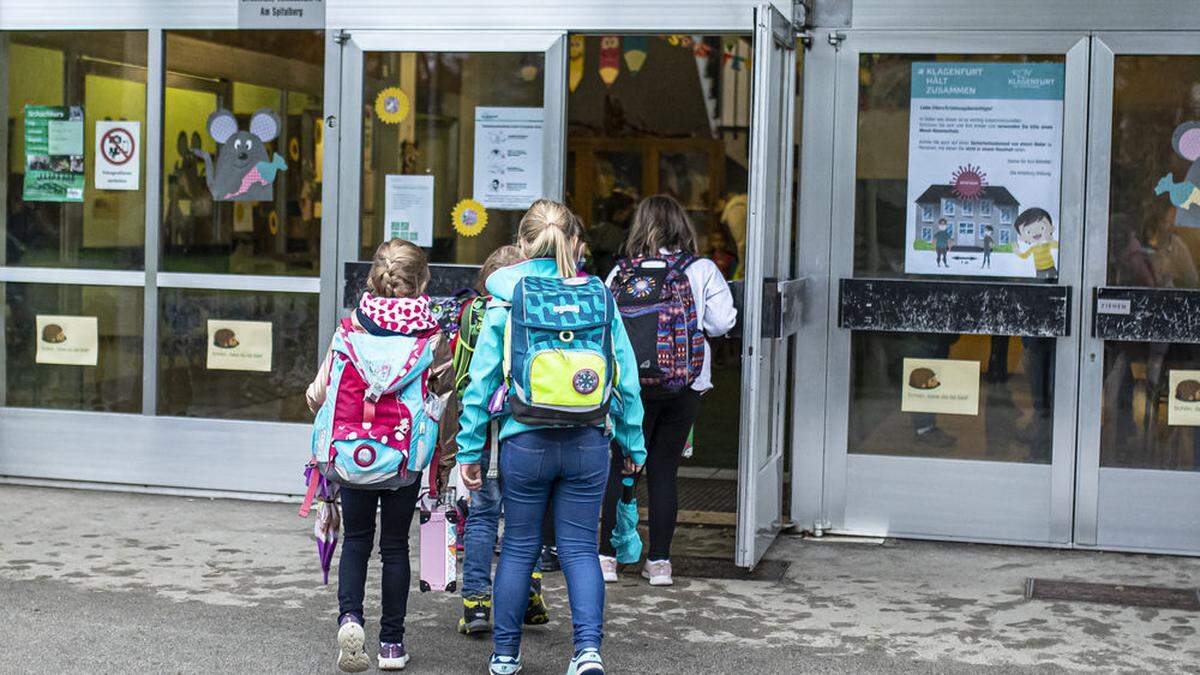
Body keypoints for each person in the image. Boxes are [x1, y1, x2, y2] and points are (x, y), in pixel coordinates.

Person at [457, 199, 647, 675]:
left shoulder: (505, 298)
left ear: (522, 245)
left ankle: (504, 655)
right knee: (581, 549)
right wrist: (633, 444)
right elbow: (625, 381)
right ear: (576, 244)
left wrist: (470, 449)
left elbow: (479, 384)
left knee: (519, 547)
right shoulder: (599, 297)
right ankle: (586, 652)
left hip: (524, 442)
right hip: (588, 441)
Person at [306, 239, 459, 672]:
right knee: (394, 548)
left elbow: (319, 394)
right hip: (404, 459)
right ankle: (392, 644)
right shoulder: (432, 339)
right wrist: (443, 465)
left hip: (352, 456)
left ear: (374, 277)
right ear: (423, 280)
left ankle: (350, 618)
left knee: (355, 541)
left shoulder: (350, 329)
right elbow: (446, 407)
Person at [598, 195, 737, 585]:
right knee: (663, 471)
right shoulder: (702, 269)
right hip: (683, 384)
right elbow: (722, 323)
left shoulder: (621, 272)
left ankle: (608, 557)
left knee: (621, 469)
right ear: (683, 225)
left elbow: (605, 321)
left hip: (628, 389)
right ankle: (659, 562)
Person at [457, 245, 552, 635]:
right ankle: (528, 595)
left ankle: (476, 603)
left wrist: (465, 443)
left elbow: (466, 380)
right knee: (523, 520)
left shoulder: (474, 314)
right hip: (525, 431)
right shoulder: (534, 310)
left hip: (484, 434)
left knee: (481, 517)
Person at [1013, 207, 1059, 279]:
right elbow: (1024, 256)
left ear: (1052, 228)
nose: (1035, 232)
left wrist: (1051, 240)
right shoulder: (1033, 248)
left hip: (1050, 267)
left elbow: (1058, 246)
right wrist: (1017, 252)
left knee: (1054, 280)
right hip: (1039, 270)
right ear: (1021, 238)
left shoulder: (1047, 245)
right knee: (1040, 283)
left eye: (1042, 228)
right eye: (1028, 232)